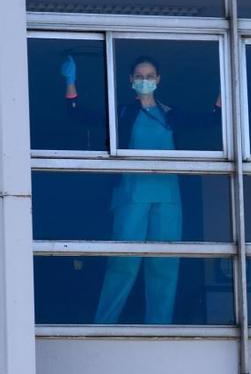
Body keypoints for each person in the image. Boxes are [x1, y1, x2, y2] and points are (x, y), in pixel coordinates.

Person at [61, 55, 221, 324]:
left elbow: (212, 119)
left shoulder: (171, 115)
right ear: (130, 81)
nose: (144, 81)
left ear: (158, 80)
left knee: (165, 264)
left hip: (168, 197)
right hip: (131, 194)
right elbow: (77, 113)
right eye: (139, 76)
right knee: (123, 263)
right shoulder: (123, 113)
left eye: (149, 76)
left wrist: (227, 84)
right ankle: (103, 325)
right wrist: (70, 82)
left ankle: (160, 327)